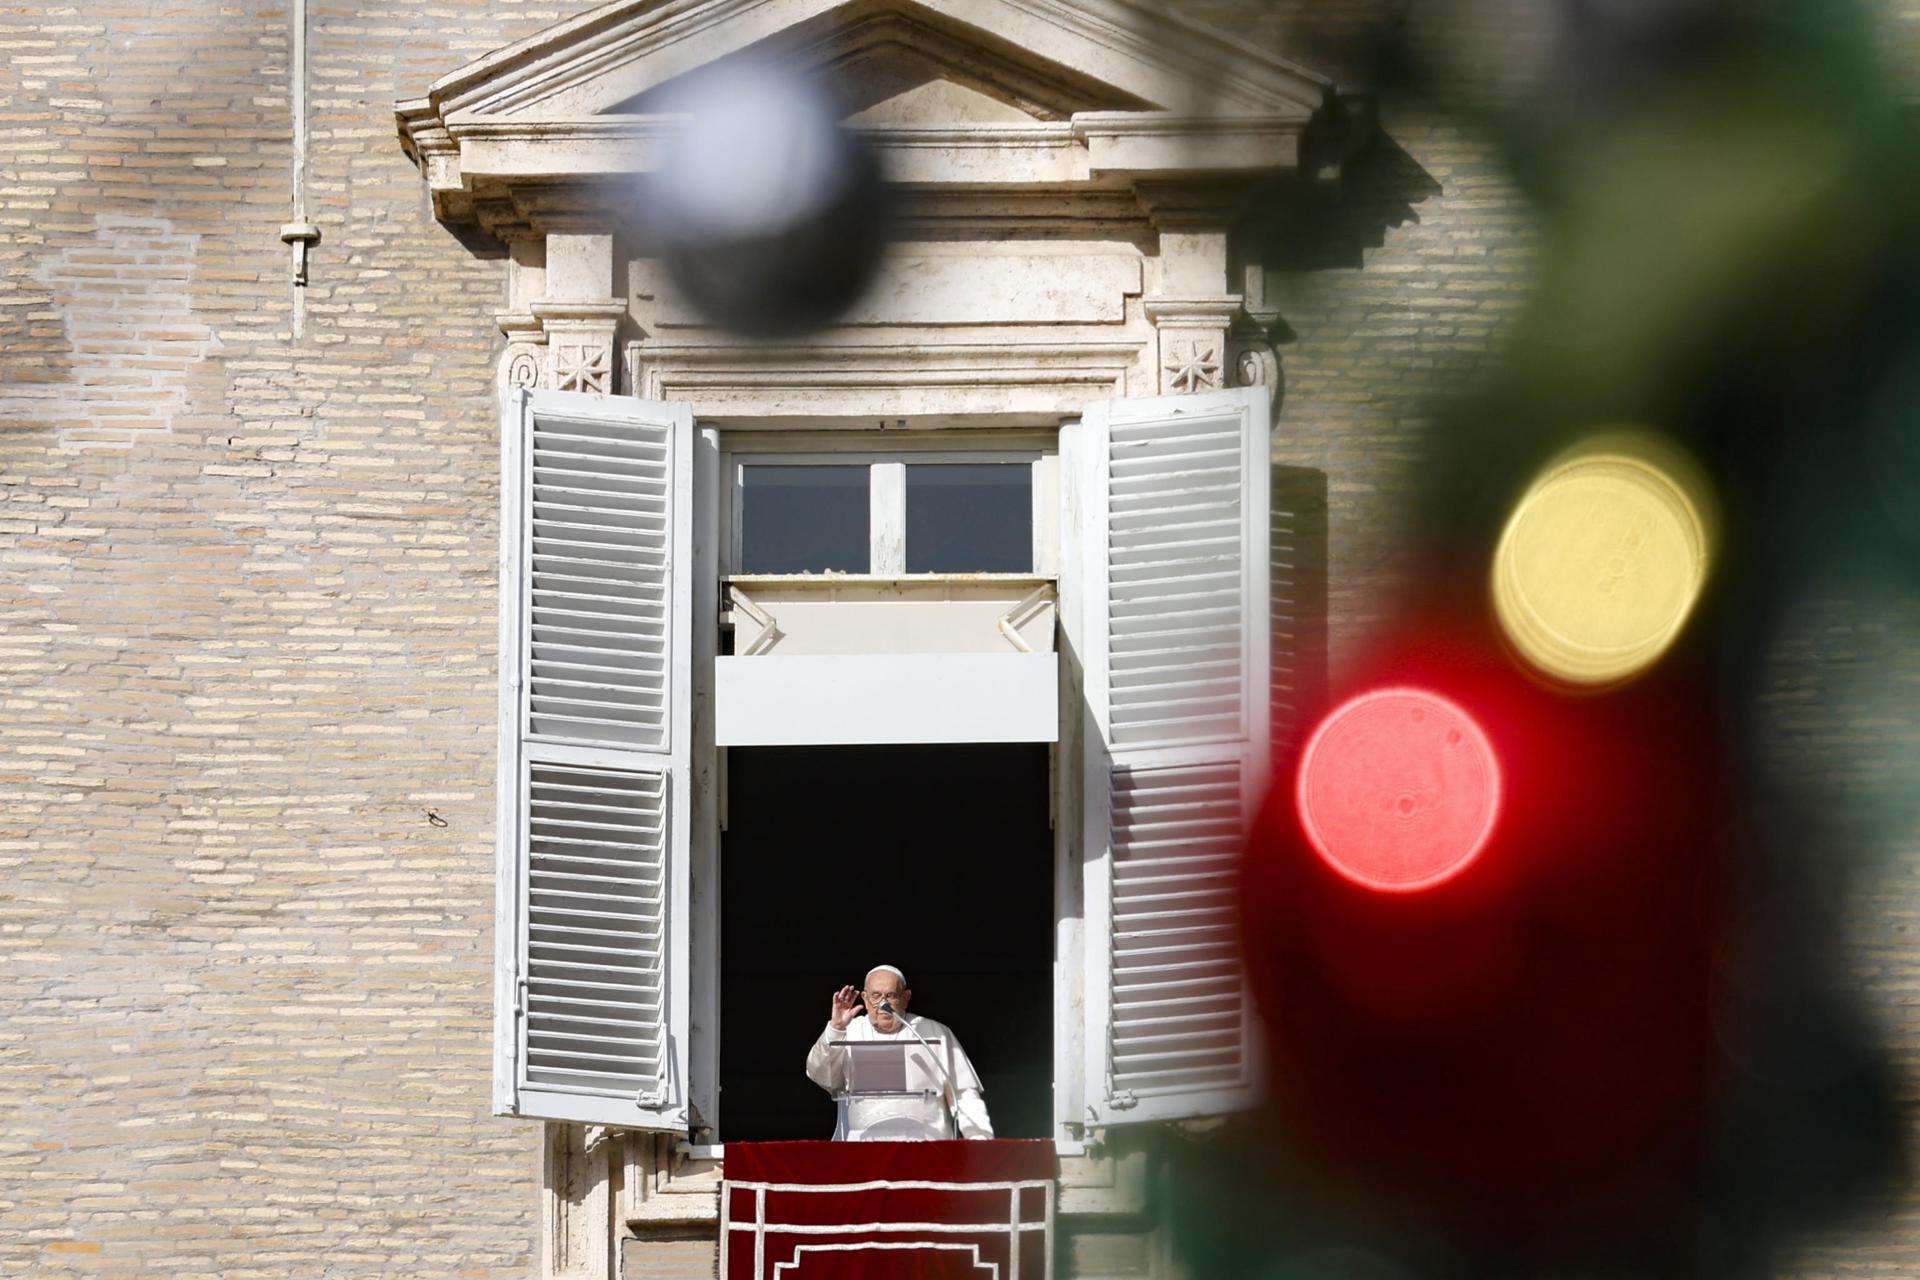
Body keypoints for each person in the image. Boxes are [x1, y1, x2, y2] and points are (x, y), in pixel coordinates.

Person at [804, 964, 993, 1140]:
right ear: (865, 998)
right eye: (876, 996)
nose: (883, 1003)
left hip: (927, 1146)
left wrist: (980, 1141)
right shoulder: (850, 1031)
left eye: (891, 995)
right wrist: (836, 1028)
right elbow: (823, 1076)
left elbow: (963, 1094)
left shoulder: (934, 1033)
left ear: (906, 997)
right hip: (864, 1147)